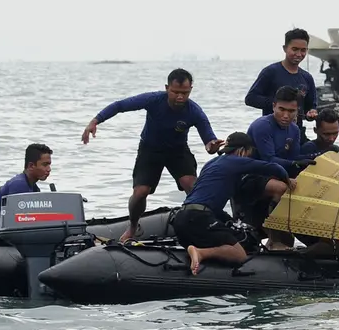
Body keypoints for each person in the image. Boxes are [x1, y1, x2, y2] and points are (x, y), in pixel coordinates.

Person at [80, 68, 225, 243]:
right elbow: (120, 106)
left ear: (191, 90)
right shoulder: (154, 100)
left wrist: (212, 146)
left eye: (185, 93)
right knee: (141, 192)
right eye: (176, 92)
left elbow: (209, 143)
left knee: (191, 186)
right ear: (167, 88)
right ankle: (133, 226)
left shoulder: (194, 111)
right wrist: (95, 121)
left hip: (178, 151)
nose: (180, 97)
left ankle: (200, 227)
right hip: (150, 150)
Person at [172, 132, 292, 275]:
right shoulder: (236, 160)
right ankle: (200, 253)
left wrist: (229, 221)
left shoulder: (211, 164)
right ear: (243, 150)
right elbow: (274, 168)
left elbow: (212, 204)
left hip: (181, 218)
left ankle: (197, 253)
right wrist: (288, 180)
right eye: (250, 153)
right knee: (239, 254)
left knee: (226, 235)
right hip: (199, 217)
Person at [235, 86, 319, 250]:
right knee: (282, 188)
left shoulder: (294, 130)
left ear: (297, 110)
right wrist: (294, 164)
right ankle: (273, 239)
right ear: (273, 106)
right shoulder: (262, 126)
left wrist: (314, 159)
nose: (286, 115)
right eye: (281, 109)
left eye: (291, 111)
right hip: (250, 177)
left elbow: (292, 159)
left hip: (275, 174)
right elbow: (269, 160)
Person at [244, 28, 319, 144]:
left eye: (303, 50)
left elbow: (310, 107)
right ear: (285, 48)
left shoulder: (307, 78)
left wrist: (311, 114)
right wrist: (279, 105)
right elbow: (250, 99)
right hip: (272, 134)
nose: (299, 54)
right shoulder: (270, 72)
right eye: (294, 49)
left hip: (297, 134)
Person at [0, 143, 53, 247]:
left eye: (49, 164)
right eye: (45, 165)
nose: (49, 169)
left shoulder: (34, 188)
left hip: (7, 234)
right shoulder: (18, 184)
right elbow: (19, 222)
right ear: (31, 166)